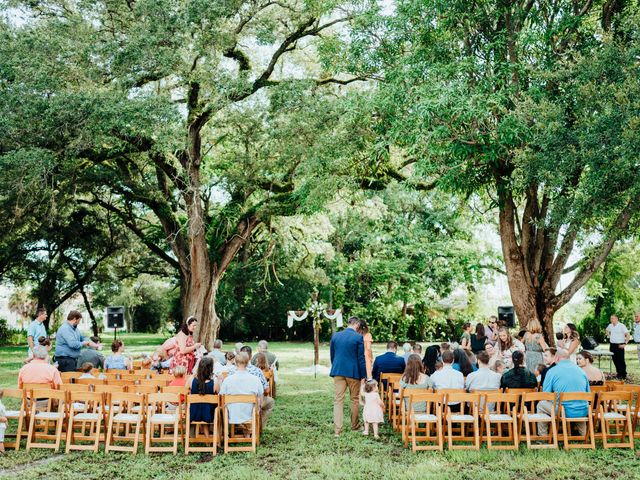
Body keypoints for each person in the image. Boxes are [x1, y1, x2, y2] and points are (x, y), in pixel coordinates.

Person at [537, 348, 590, 437]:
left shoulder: (552, 371)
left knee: (541, 405)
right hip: (583, 410)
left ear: (556, 358)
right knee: (578, 403)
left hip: (565, 411)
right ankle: (584, 435)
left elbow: (546, 395)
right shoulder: (581, 371)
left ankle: (543, 437)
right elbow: (588, 393)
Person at [329, 316, 367, 436]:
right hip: (353, 372)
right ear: (356, 324)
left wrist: (336, 367)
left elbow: (332, 355)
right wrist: (364, 375)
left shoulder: (335, 335)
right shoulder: (358, 337)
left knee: (338, 400)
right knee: (354, 399)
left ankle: (337, 430)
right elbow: (361, 358)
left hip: (338, 371)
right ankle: (354, 426)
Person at [219, 352, 263, 429]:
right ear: (248, 362)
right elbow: (261, 400)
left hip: (232, 413)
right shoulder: (255, 379)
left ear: (235, 363)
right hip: (250, 413)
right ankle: (249, 430)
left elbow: (221, 396)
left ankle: (240, 430)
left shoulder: (228, 380)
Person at [237, 345, 274, 427]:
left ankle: (239, 424)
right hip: (252, 403)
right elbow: (267, 390)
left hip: (235, 403)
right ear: (250, 356)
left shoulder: (232, 371)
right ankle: (258, 427)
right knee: (270, 402)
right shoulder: (257, 371)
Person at [189, 357, 219, 437]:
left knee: (202, 406)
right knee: (216, 407)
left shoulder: (191, 380)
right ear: (211, 368)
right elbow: (219, 394)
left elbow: (186, 390)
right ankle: (215, 435)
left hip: (194, 414)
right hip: (209, 415)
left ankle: (197, 433)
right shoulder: (215, 382)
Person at [605, 314, 630, 379]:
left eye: (612, 318)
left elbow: (628, 334)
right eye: (611, 318)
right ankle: (619, 373)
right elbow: (607, 330)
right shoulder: (610, 325)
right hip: (612, 345)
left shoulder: (622, 326)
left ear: (617, 319)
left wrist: (625, 343)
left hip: (620, 345)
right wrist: (608, 334)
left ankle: (623, 374)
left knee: (621, 360)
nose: (611, 320)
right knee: (614, 359)